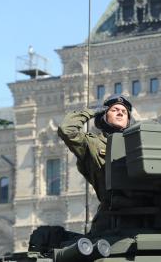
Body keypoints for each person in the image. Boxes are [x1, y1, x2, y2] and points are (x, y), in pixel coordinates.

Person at [57, 94, 132, 232]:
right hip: (111, 218)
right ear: (103, 115)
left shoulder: (136, 144)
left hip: (149, 217)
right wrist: (89, 112)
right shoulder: (93, 144)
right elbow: (67, 131)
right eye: (114, 110)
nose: (120, 112)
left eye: (124, 111)